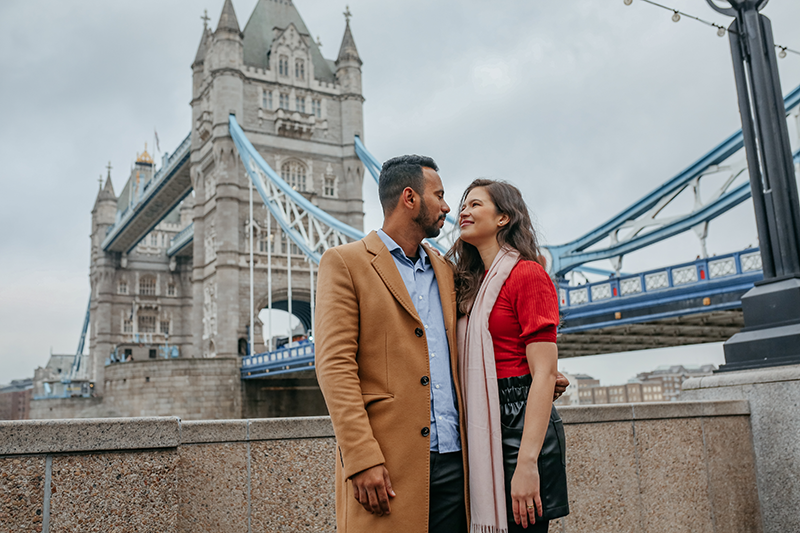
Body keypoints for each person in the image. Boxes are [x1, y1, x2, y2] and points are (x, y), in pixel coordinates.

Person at [315, 157, 569, 533]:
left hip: (460, 464)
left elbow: (483, 343)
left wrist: (536, 378)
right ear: (409, 198)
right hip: (390, 462)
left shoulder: (447, 270)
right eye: (440, 196)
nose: (449, 208)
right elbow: (335, 367)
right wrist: (361, 457)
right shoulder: (345, 263)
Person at [447, 179, 569, 532]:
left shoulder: (528, 276)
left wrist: (527, 464)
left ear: (503, 218)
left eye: (475, 205)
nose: (464, 212)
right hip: (478, 424)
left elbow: (544, 374)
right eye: (462, 206)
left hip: (521, 431)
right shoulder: (469, 284)